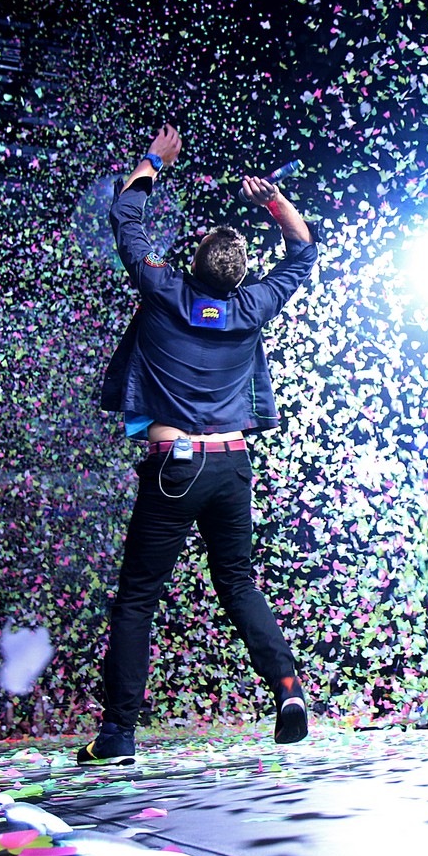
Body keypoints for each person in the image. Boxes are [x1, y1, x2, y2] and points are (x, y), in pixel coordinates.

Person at [76, 124, 318, 765]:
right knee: (237, 583)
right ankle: (288, 690)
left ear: (194, 260)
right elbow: (302, 251)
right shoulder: (253, 305)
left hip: (174, 467)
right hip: (232, 464)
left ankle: (118, 735)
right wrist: (273, 200)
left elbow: (125, 219)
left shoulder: (163, 292)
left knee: (138, 597)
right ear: (240, 276)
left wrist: (154, 160)